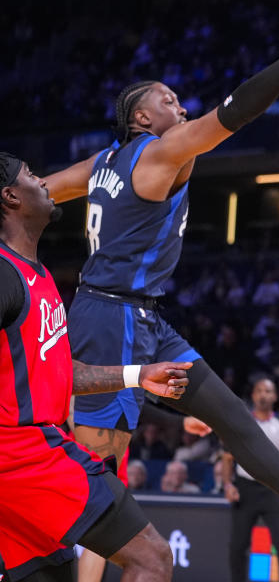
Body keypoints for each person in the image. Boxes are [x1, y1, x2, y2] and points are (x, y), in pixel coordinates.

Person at [43, 0, 279, 569]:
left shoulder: (101, 164)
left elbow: (34, 190)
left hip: (144, 318)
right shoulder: (158, 153)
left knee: (234, 417)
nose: (181, 106)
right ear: (143, 116)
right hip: (107, 315)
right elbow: (238, 111)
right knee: (97, 480)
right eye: (168, 99)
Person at [0, 152, 192, 582]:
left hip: (26, 461)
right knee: (152, 558)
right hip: (24, 454)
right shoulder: (3, 274)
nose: (43, 181)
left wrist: (137, 375)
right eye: (32, 175)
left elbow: (61, 372)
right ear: (10, 197)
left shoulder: (37, 274)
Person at [223, 377, 279, 582]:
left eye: (267, 391)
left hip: (276, 490)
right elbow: (227, 457)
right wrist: (227, 484)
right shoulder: (240, 424)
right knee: (237, 546)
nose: (263, 395)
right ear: (253, 395)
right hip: (245, 489)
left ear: (274, 396)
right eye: (259, 391)